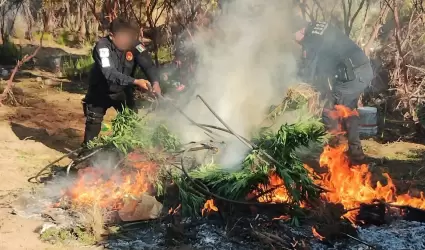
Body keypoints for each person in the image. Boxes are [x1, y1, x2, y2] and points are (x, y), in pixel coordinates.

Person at [293, 19, 374, 163]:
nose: (299, 44)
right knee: (349, 110)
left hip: (353, 74)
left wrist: (303, 86)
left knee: (329, 111)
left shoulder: (312, 37)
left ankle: (334, 154)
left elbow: (314, 69)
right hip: (361, 71)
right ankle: (355, 153)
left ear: (300, 30)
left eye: (298, 41)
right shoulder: (318, 26)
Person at [82, 18, 161, 145]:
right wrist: (136, 81)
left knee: (129, 122)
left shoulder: (136, 46)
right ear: (112, 36)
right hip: (99, 92)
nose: (127, 40)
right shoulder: (102, 47)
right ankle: (86, 156)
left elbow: (149, 66)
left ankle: (123, 153)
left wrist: (155, 82)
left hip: (123, 91)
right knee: (93, 126)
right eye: (123, 36)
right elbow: (109, 73)